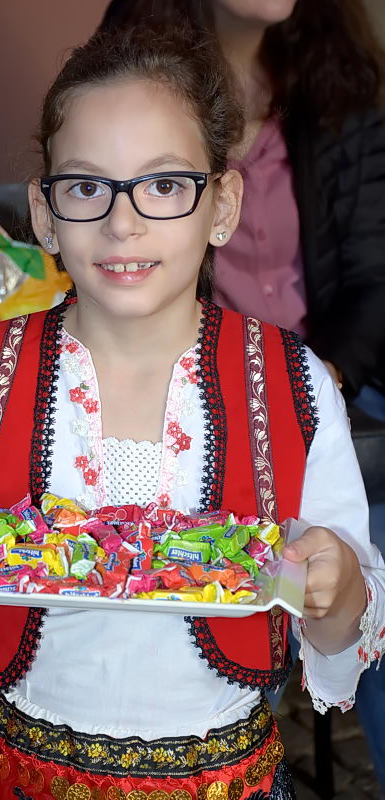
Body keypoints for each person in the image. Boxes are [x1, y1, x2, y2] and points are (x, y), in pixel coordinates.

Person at [0, 24, 385, 800]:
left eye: (163, 185)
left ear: (221, 204)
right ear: (45, 213)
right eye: (87, 187)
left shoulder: (289, 384)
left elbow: (335, 627)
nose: (122, 223)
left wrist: (336, 586)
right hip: (19, 776)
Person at [100, 0, 385, 789]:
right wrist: (228, 390)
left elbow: (374, 273)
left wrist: (321, 379)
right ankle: (215, 754)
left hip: (339, 381)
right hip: (199, 393)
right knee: (222, 552)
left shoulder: (337, 79)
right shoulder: (134, 87)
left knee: (366, 558)